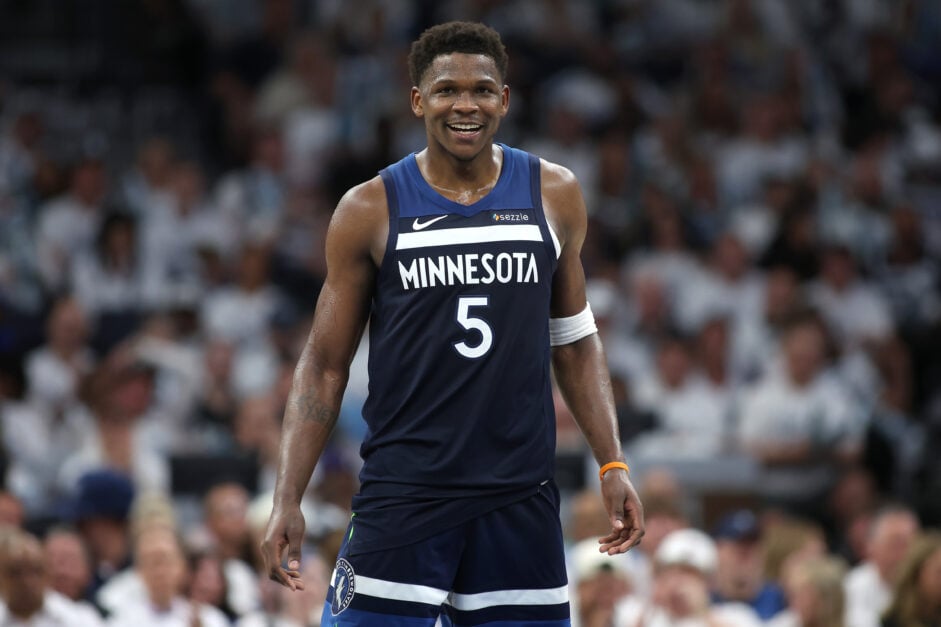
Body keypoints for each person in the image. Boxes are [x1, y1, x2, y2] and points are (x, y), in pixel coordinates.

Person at [262, 20, 645, 626]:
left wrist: (612, 462)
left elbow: (574, 341)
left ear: (505, 99)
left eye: (482, 90)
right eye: (447, 90)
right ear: (418, 100)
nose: (466, 105)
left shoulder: (554, 192)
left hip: (519, 497)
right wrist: (288, 495)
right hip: (404, 494)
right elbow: (325, 364)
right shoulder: (369, 207)